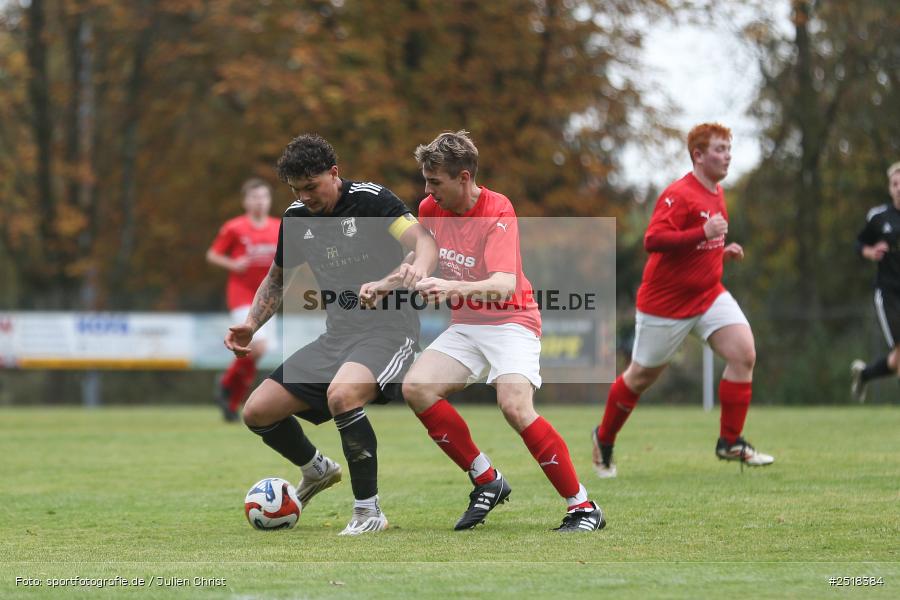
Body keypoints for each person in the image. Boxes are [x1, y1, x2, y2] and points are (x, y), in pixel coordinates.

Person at [225, 134, 437, 535]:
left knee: (342, 395)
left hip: (391, 330)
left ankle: (368, 511)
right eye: (296, 190)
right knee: (257, 411)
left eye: (311, 187)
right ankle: (317, 471)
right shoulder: (297, 218)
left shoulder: (373, 200)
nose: (305, 196)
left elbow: (425, 242)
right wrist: (251, 325)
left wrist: (405, 274)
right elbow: (276, 279)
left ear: (334, 174)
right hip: (338, 336)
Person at [401, 130, 605, 533]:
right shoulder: (430, 207)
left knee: (514, 405)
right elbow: (422, 257)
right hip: (468, 326)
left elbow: (503, 284)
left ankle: (583, 507)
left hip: (513, 321)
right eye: (426, 180)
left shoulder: (498, 210)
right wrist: (388, 283)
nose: (428, 190)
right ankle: (486, 478)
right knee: (416, 388)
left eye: (435, 181)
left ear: (464, 177)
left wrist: (451, 288)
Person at [591, 123, 774, 478]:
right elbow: (654, 240)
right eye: (719, 149)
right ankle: (604, 437)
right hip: (666, 306)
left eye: (729, 148)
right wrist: (702, 233)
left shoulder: (717, 192)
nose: (728, 155)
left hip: (708, 295)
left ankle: (730, 441)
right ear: (698, 155)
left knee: (744, 353)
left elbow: (698, 248)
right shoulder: (679, 194)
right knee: (640, 378)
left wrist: (722, 252)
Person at [207, 179, 281, 422]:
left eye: (264, 197)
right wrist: (232, 264)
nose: (260, 202)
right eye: (254, 197)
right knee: (255, 346)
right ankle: (228, 385)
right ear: (245, 201)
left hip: (268, 297)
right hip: (241, 295)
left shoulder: (279, 227)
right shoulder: (235, 227)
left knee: (256, 352)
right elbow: (213, 255)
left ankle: (230, 398)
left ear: (269, 200)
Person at [850, 161, 900, 402]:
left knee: (897, 359)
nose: (899, 188)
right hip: (889, 293)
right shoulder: (880, 217)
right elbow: (859, 243)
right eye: (895, 184)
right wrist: (870, 252)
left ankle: (865, 375)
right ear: (890, 189)